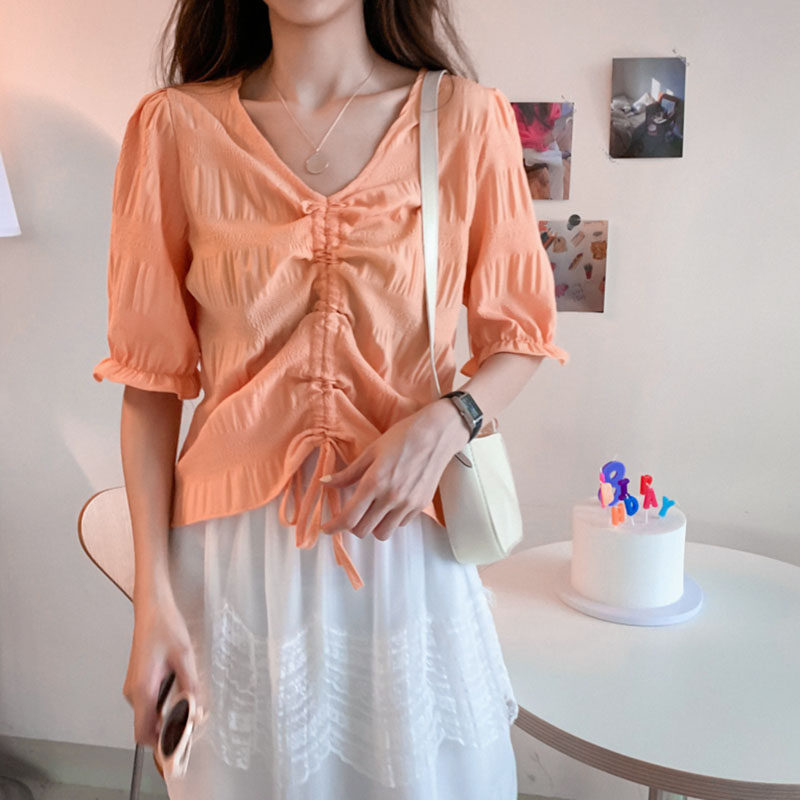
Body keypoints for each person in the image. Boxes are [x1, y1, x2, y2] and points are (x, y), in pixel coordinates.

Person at [92, 0, 569, 797]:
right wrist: (153, 604)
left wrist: (450, 420)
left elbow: (520, 336)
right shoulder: (174, 130)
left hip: (402, 550)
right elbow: (149, 387)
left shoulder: (464, 120)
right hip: (231, 564)